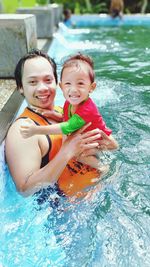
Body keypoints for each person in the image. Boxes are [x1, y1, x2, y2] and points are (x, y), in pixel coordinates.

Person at [5, 49, 118, 198]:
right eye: (33, 82)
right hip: (73, 210)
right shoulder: (23, 130)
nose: (42, 88)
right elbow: (25, 189)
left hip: (103, 188)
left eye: (48, 80)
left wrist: (108, 144)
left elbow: (103, 141)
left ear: (57, 83)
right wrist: (67, 151)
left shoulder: (65, 111)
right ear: (20, 87)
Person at [20, 53, 117, 170]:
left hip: (101, 143)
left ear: (91, 87)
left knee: (76, 154)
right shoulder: (70, 103)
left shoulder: (88, 109)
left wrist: (36, 130)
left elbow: (67, 126)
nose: (73, 89)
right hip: (92, 140)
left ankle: (104, 168)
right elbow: (67, 119)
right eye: (68, 84)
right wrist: (53, 115)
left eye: (80, 83)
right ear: (61, 87)